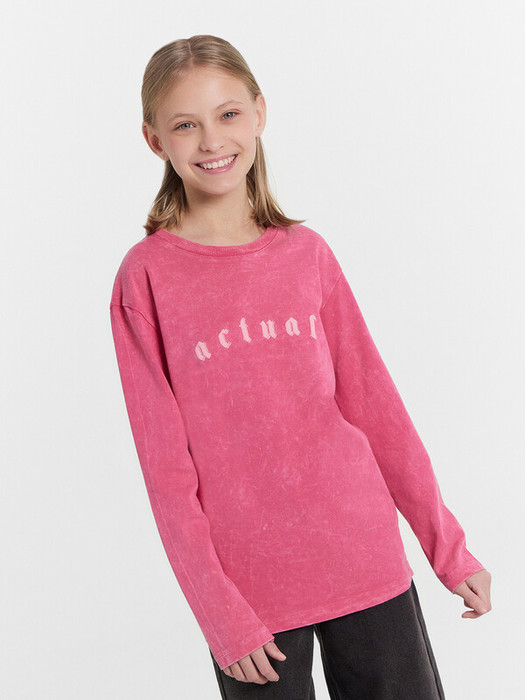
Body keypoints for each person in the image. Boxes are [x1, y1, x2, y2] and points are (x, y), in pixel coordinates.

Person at [109, 34, 492, 699]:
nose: (211, 140)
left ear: (259, 112)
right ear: (154, 140)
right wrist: (219, 615)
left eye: (228, 114)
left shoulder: (306, 255)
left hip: (363, 556)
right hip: (251, 595)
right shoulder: (146, 280)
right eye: (185, 125)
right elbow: (165, 473)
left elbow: (376, 410)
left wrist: (446, 546)